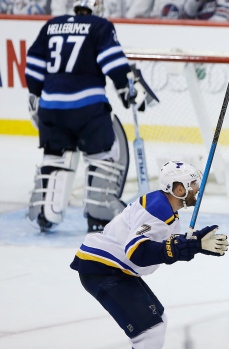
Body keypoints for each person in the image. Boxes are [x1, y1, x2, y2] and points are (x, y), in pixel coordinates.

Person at [70, 160, 229, 349]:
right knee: (149, 333)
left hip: (115, 269)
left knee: (158, 320)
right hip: (102, 269)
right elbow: (137, 252)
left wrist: (196, 244)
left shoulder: (164, 207)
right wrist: (186, 246)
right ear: (179, 190)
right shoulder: (158, 210)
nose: (197, 188)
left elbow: (163, 244)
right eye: (193, 183)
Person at [25, 0, 153, 233]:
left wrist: (34, 94)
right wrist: (126, 89)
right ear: (97, 7)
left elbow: (34, 63)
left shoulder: (52, 25)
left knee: (55, 156)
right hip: (87, 107)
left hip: (50, 107)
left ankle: (45, 212)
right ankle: (98, 215)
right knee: (104, 155)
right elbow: (113, 61)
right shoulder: (99, 25)